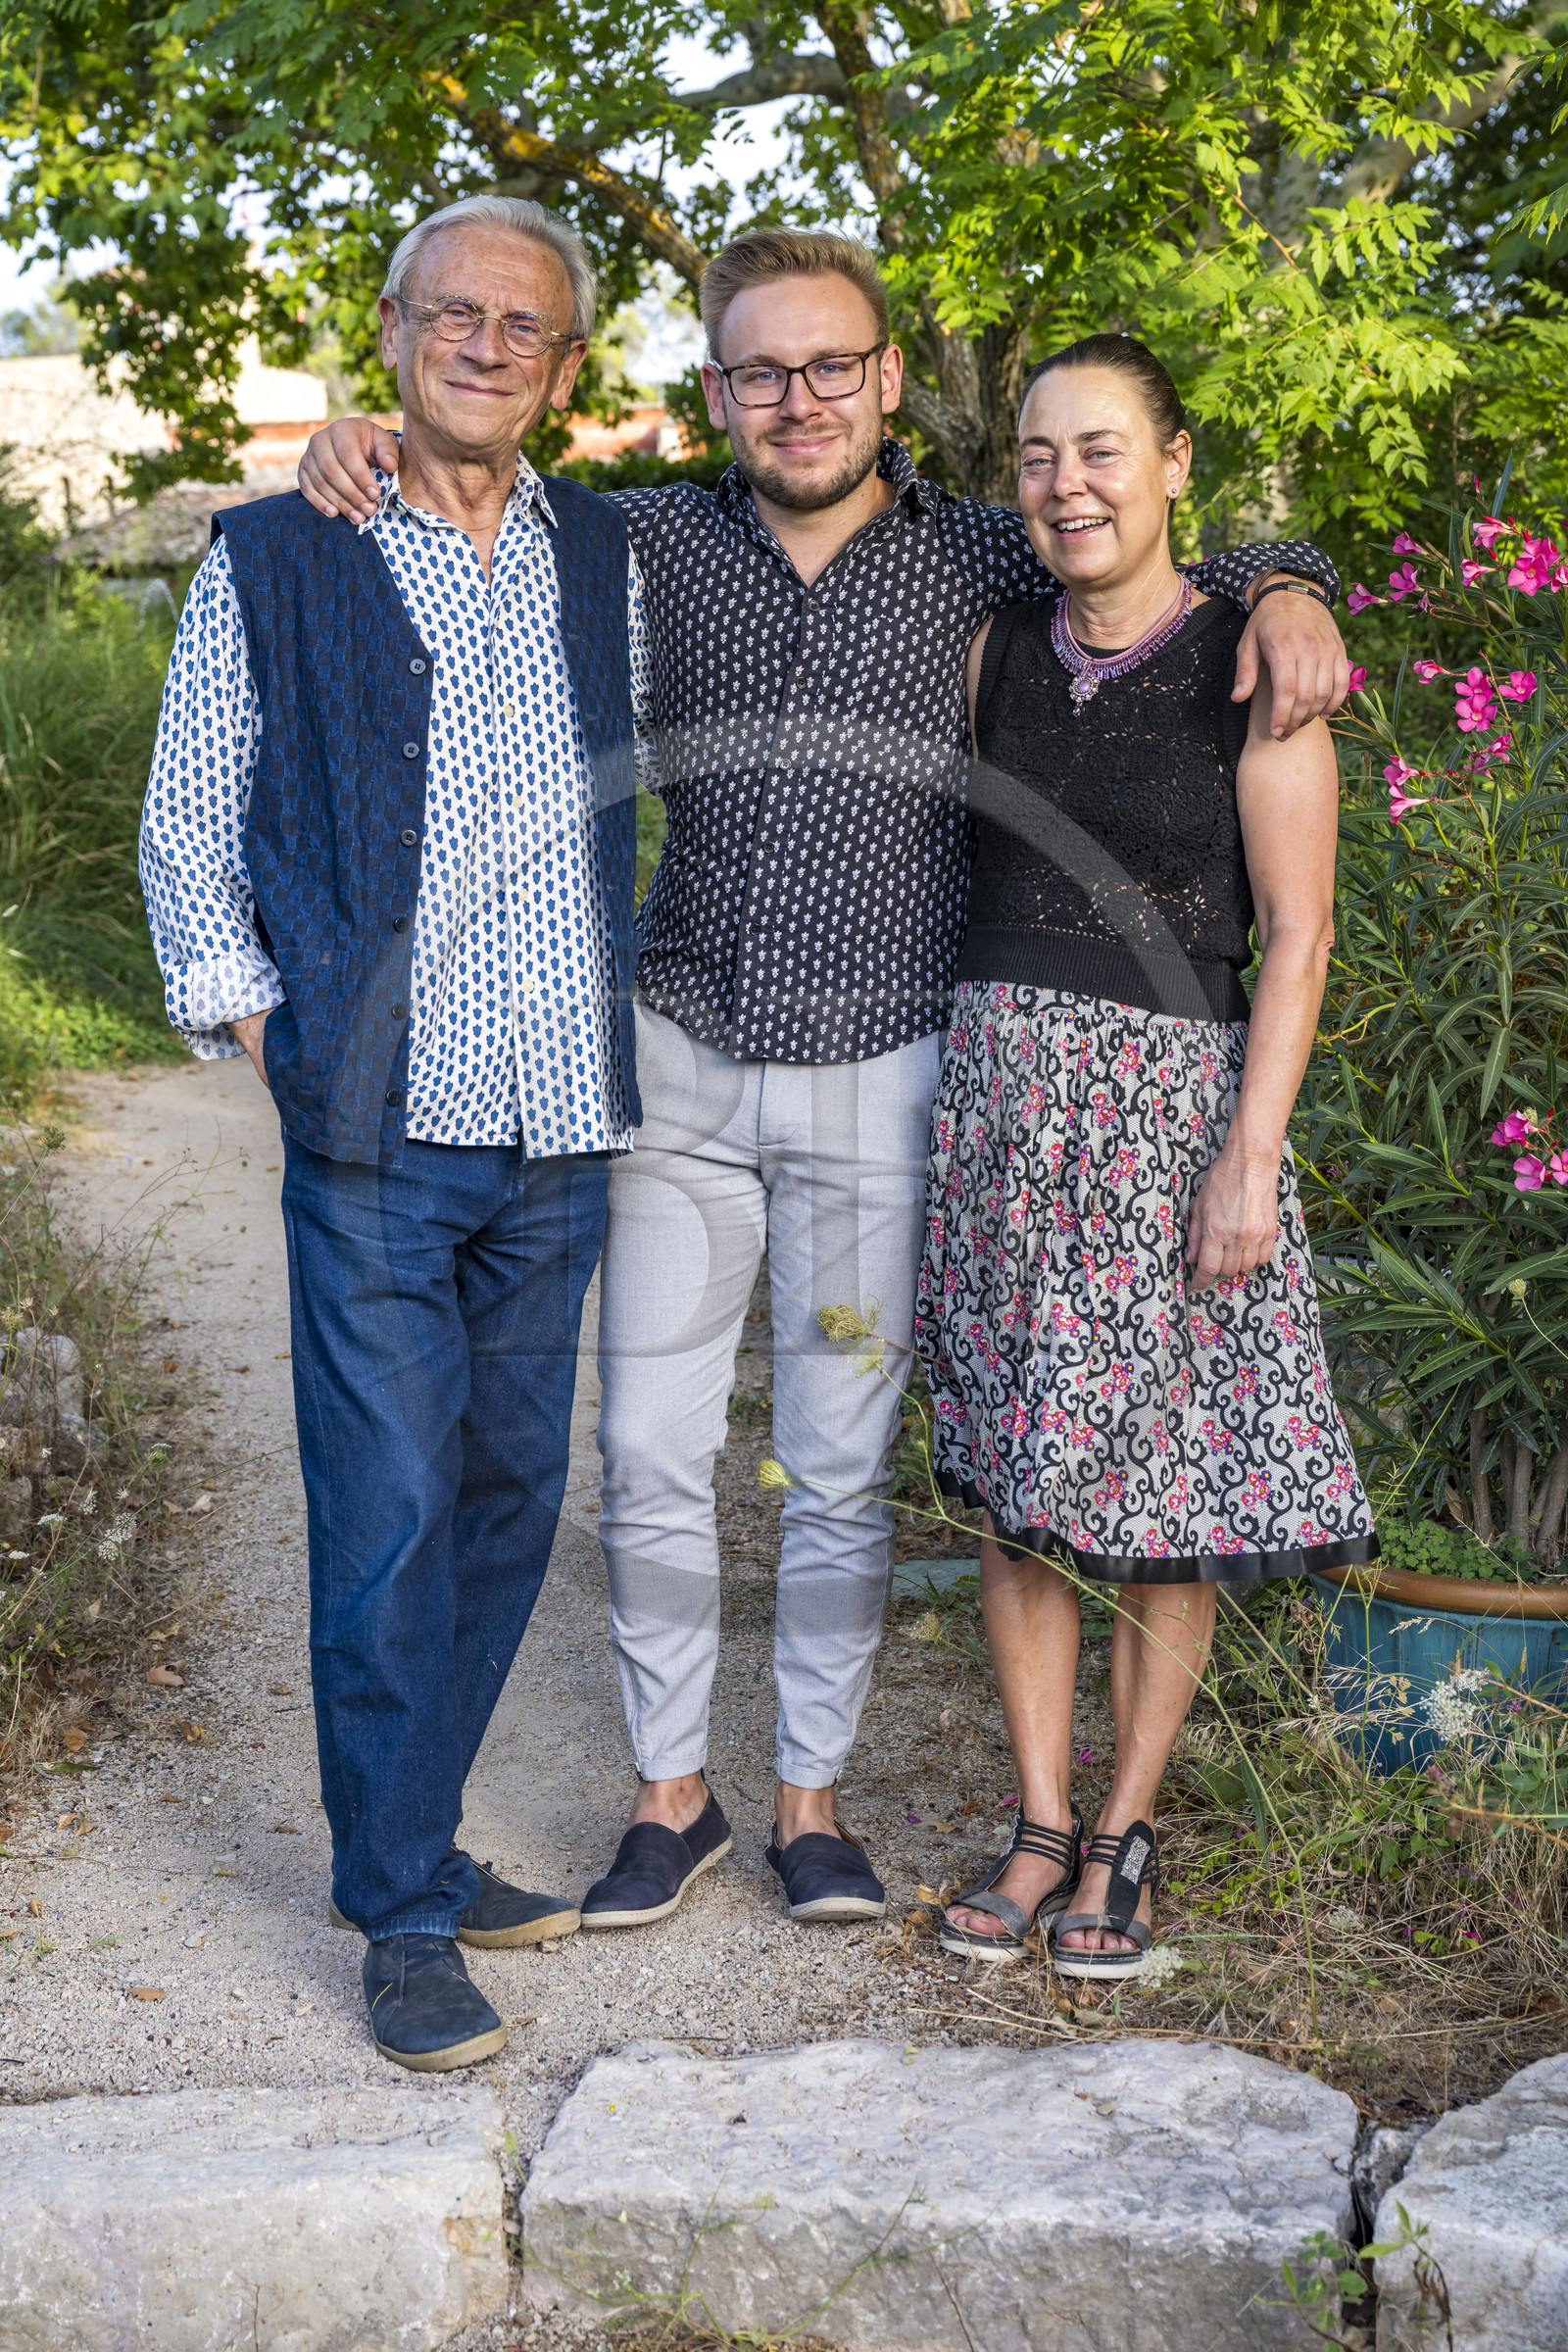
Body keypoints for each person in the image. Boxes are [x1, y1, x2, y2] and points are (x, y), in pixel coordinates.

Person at [296, 230, 1353, 1937]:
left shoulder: (973, 559)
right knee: (645, 1449)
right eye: (761, 371)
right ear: (716, 393)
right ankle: (672, 1798)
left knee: (841, 1460)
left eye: (832, 367)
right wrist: (355, 438)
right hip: (680, 1071)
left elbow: (1146, 531)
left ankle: (810, 1804)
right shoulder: (632, 543)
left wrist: (1294, 576)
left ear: (881, 383)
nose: (799, 400)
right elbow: (455, 490)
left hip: (888, 1082)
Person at [139, 196, 648, 2071]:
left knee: (513, 1500)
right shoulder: (279, 549)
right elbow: (189, 828)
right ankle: (406, 1918)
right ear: (395, 328)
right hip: (379, 1127)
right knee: (386, 1517)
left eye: (526, 329)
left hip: (562, 1120)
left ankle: (408, 1835)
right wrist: (270, 1031)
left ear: (570, 366)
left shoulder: (614, 551)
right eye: (457, 317)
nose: (489, 348)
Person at [921, 335, 1376, 1980]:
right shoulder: (988, 649)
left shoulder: (1256, 667)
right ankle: (1038, 1824)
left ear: (1177, 463)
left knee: (1159, 1491)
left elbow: (1305, 940)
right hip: (997, 1117)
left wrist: (1248, 1159)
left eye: (1103, 451)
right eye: (1039, 457)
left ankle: (1126, 1830)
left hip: (1170, 1119)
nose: (1068, 486)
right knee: (1023, 1478)